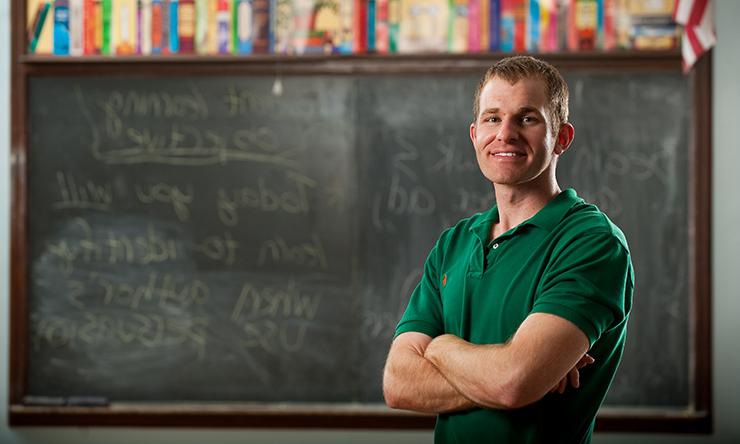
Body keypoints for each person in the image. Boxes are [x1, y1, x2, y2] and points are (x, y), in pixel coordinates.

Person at [382, 55, 634, 443]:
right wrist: (511, 374)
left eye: (527, 118)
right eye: (493, 118)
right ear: (474, 134)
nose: (506, 134)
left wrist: (440, 347)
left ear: (561, 139)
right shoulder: (455, 243)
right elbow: (398, 383)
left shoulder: (592, 241)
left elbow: (513, 384)